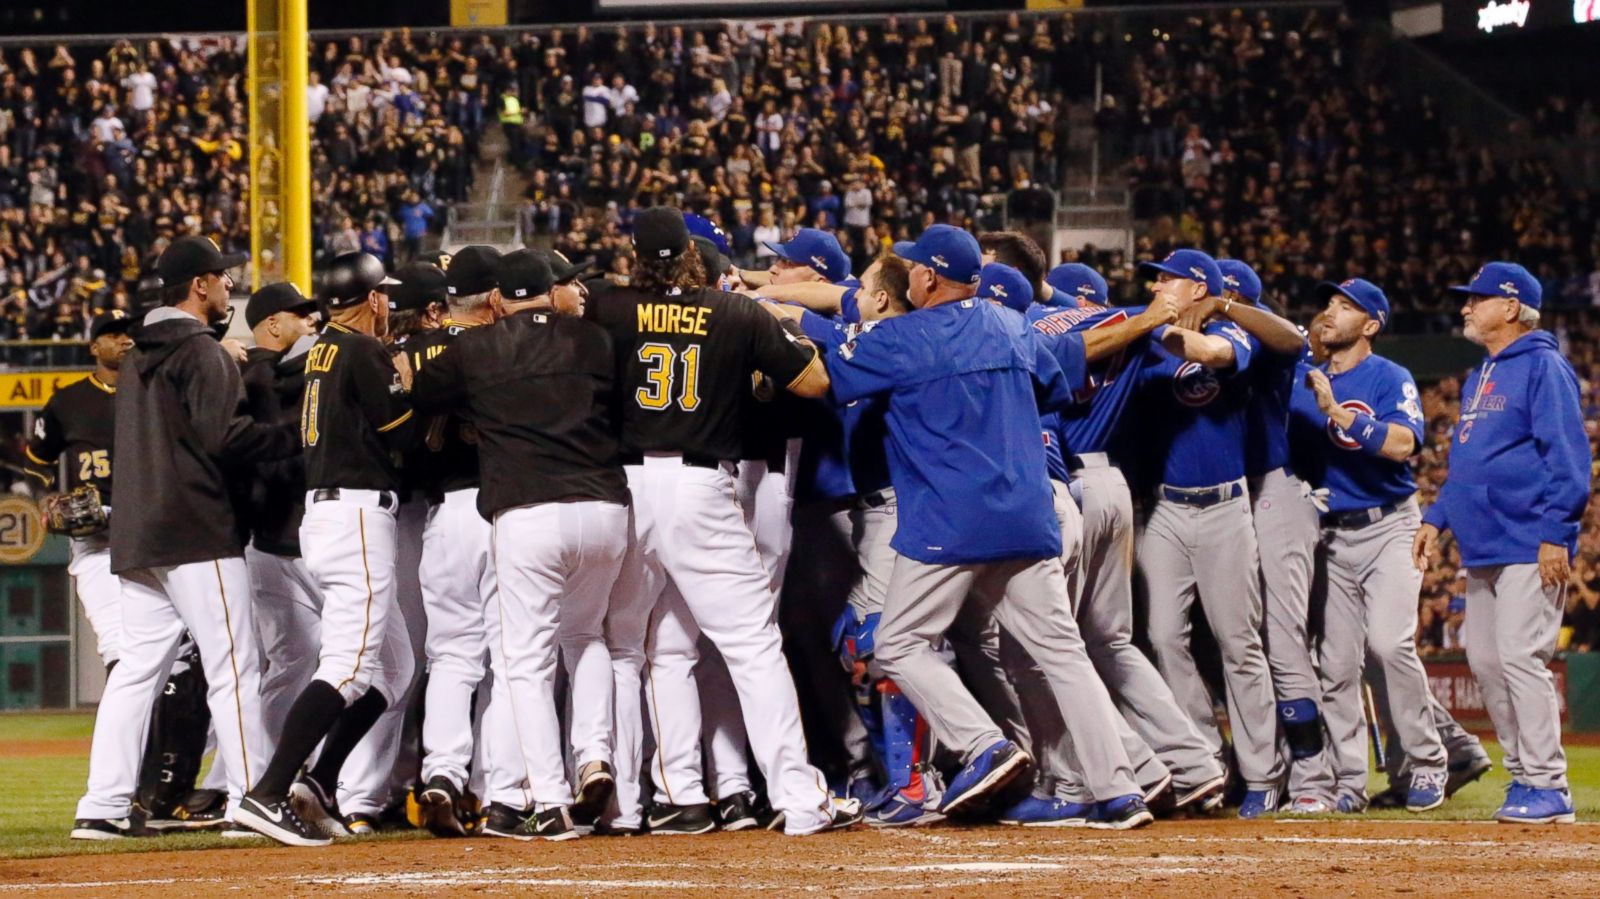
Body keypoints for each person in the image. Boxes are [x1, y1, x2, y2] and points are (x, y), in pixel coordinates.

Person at [823, 224, 1152, 829]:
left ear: (926, 277)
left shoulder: (901, 337)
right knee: (1064, 652)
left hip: (949, 520)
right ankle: (1120, 791)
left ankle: (984, 745)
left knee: (897, 644)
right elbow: (1055, 387)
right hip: (1027, 514)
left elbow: (826, 379)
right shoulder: (1011, 324)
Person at [588, 206, 858, 836]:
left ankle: (646, 800)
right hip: (698, 485)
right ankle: (796, 797)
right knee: (753, 646)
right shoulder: (735, 312)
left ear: (634, 257)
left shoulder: (609, 308)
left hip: (623, 487)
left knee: (638, 647)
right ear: (691, 254)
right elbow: (815, 382)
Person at [74, 237, 295, 839]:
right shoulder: (200, 351)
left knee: (138, 670)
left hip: (139, 533)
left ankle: (102, 804)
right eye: (222, 278)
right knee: (236, 666)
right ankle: (252, 797)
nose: (229, 288)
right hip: (196, 529)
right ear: (200, 285)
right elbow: (225, 437)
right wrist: (299, 436)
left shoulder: (138, 353)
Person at [413, 248, 630, 841]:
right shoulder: (594, 340)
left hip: (529, 512)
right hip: (606, 509)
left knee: (524, 662)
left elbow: (420, 391)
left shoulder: (477, 346)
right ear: (553, 290)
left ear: (497, 299)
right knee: (586, 637)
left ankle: (550, 801)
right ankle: (594, 756)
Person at [235, 252, 417, 847]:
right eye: (383, 295)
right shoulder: (363, 349)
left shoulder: (322, 351)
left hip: (333, 511)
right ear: (369, 300)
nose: (389, 303)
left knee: (396, 667)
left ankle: (320, 783)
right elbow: (403, 432)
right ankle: (267, 794)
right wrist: (415, 385)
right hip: (358, 514)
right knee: (347, 665)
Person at [1415, 262, 1591, 824]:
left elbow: (1568, 456)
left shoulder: (1544, 367)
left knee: (1520, 657)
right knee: (1486, 661)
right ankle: (1524, 776)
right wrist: (1437, 517)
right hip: (1483, 544)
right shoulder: (1482, 374)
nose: (1466, 307)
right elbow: (1468, 463)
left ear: (1510, 307)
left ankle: (1549, 783)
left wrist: (1556, 534)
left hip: (1526, 538)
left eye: (1477, 298)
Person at [1127, 249, 1285, 818]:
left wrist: (1158, 328)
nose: (1157, 285)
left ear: (1197, 287)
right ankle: (1203, 761)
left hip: (1224, 507)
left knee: (1237, 642)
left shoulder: (1231, 334)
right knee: (1165, 637)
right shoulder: (1144, 332)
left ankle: (1264, 771)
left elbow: (1213, 353)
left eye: (1167, 278)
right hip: (1165, 510)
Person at [1292, 278, 1446, 813]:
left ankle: (1426, 763)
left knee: (1388, 644)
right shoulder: (1302, 377)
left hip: (1389, 528)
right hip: (1330, 532)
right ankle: (1349, 783)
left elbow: (1403, 445)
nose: (1330, 312)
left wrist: (1340, 412)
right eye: (1329, 304)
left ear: (1372, 325)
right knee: (1334, 665)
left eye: (1346, 307)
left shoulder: (1389, 376)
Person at [1208, 260, 1340, 813]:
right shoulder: (1207, 345)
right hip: (1230, 497)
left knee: (1282, 639)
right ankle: (1257, 766)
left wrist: (1225, 307)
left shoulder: (1266, 341)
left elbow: (1292, 338)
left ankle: (1314, 775)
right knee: (1237, 640)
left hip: (1275, 490)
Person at [401, 250, 506, 838]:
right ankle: (493, 790)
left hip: (441, 512)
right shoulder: (506, 345)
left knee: (451, 656)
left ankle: (440, 773)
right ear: (494, 298)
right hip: (503, 506)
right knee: (509, 659)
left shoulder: (417, 354)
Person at [238, 283, 320, 747]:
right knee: (294, 660)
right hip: (277, 539)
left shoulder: (254, 372)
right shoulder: (257, 378)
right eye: (300, 314)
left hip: (274, 538)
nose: (311, 320)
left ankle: (270, 773)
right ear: (272, 323)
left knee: (292, 661)